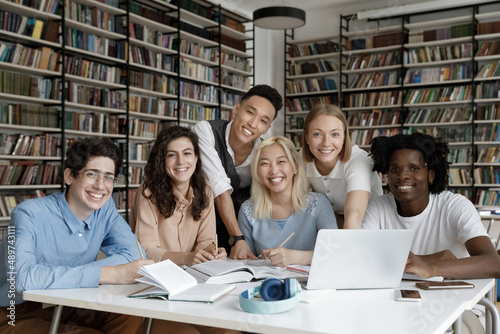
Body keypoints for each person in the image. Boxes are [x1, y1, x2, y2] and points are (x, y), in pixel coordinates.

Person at [0, 137, 152, 333]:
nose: (100, 185)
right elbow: (22, 279)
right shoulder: (28, 214)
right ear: (69, 176)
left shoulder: (105, 209)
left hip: (71, 302)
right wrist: (109, 273)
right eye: (91, 174)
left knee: (130, 314)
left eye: (108, 177)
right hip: (17, 313)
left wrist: (76, 276)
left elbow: (136, 257)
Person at [362, 132, 500, 279]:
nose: (402, 176)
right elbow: (359, 259)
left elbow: (493, 263)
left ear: (430, 175)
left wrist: (430, 268)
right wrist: (427, 259)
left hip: (455, 296)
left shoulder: (454, 206)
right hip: (399, 297)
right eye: (395, 169)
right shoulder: (377, 207)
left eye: (414, 168)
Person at [193, 84, 283, 259]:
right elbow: (218, 186)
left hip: (245, 228)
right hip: (204, 223)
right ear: (236, 109)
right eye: (250, 112)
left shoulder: (264, 152)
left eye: (263, 121)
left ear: (267, 128)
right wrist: (237, 238)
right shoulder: (206, 131)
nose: (253, 123)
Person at [131, 126, 226, 265]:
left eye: (187, 153)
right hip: (157, 274)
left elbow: (206, 240)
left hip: (194, 273)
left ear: (195, 158)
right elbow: (145, 249)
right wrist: (187, 258)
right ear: (162, 160)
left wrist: (211, 252)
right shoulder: (147, 193)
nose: (181, 161)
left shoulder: (206, 189)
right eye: (172, 155)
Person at [238, 136, 337, 267]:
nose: (273, 170)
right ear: (257, 171)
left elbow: (336, 253)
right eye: (264, 164)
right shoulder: (247, 210)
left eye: (281, 161)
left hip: (311, 285)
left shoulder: (318, 204)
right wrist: (260, 259)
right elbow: (246, 262)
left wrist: (293, 257)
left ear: (295, 167)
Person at [301, 104, 383, 229]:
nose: (326, 143)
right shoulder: (300, 160)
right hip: (333, 223)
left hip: (368, 225)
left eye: (335, 134)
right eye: (317, 134)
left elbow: (353, 218)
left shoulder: (358, 160)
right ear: (306, 137)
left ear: (344, 137)